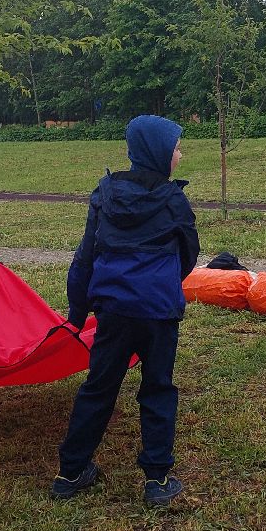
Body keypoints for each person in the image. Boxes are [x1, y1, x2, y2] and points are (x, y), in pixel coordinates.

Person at [52, 115, 199, 508]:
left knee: (98, 387)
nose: (180, 154)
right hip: (158, 312)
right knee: (158, 388)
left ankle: (70, 472)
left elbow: (86, 255)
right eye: (176, 148)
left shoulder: (105, 194)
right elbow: (189, 254)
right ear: (159, 153)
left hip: (114, 311)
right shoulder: (174, 201)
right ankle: (157, 478)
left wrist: (77, 313)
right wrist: (163, 280)